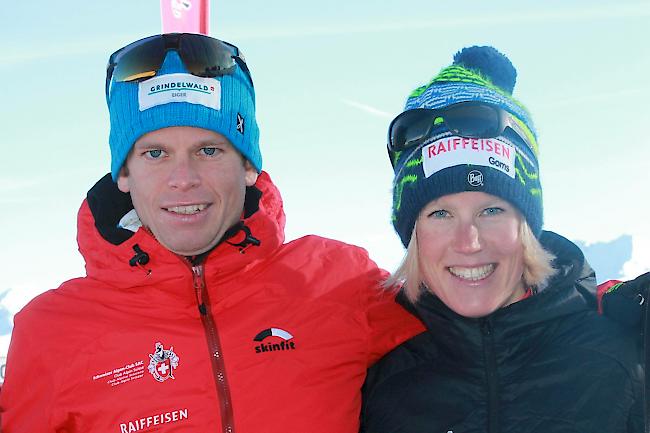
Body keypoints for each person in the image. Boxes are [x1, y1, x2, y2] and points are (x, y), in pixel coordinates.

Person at [0, 33, 424, 432]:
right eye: (155, 153)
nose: (183, 179)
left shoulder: (340, 280)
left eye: (209, 150)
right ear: (125, 173)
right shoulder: (51, 331)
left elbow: (469, 360)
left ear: (247, 166)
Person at [361, 46, 644, 433]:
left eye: (491, 210)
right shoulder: (378, 381)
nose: (468, 241)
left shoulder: (623, 354)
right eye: (440, 214)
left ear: (526, 226)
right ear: (413, 236)